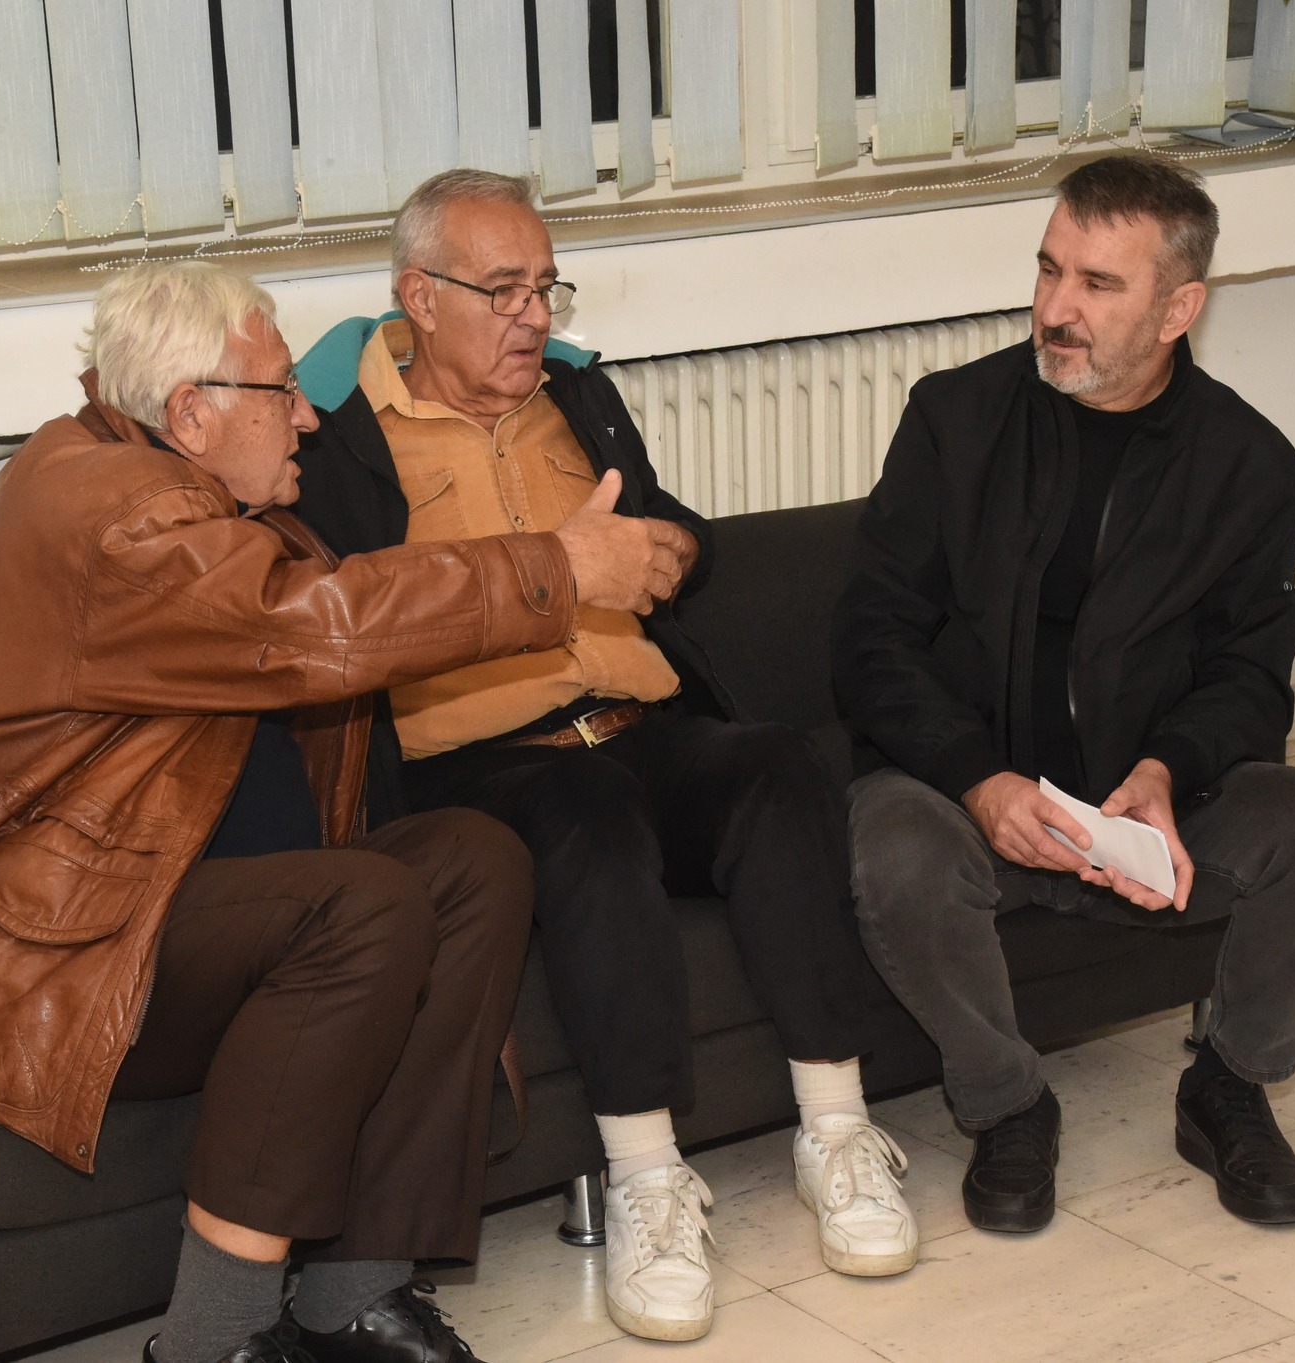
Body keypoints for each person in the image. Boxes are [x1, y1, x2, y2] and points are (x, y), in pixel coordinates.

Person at [0, 260, 673, 1363]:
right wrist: (554, 568)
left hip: (150, 905)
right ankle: (213, 1338)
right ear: (190, 411)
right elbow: (313, 626)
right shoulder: (115, 510)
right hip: (39, 945)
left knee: (472, 859)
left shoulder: (184, 486)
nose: (308, 414)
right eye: (281, 389)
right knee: (363, 904)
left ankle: (356, 1295)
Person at [291, 169, 915, 1343]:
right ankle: (646, 1181)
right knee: (585, 811)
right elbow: (343, 619)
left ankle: (836, 1131)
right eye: (503, 291)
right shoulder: (338, 441)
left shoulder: (574, 394)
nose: (534, 316)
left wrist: (674, 548)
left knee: (776, 766)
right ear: (418, 298)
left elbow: (666, 525)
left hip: (638, 724)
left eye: (545, 287)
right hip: (482, 762)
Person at [834, 154, 1295, 1236]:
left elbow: (1250, 671)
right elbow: (870, 637)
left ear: (1178, 309)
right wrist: (978, 780)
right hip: (971, 794)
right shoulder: (956, 420)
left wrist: (1165, 771)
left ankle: (1228, 1082)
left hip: (1146, 809)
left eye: (1096, 283)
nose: (1055, 308)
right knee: (893, 843)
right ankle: (1006, 1103)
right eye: (1049, 270)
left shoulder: (1248, 465)